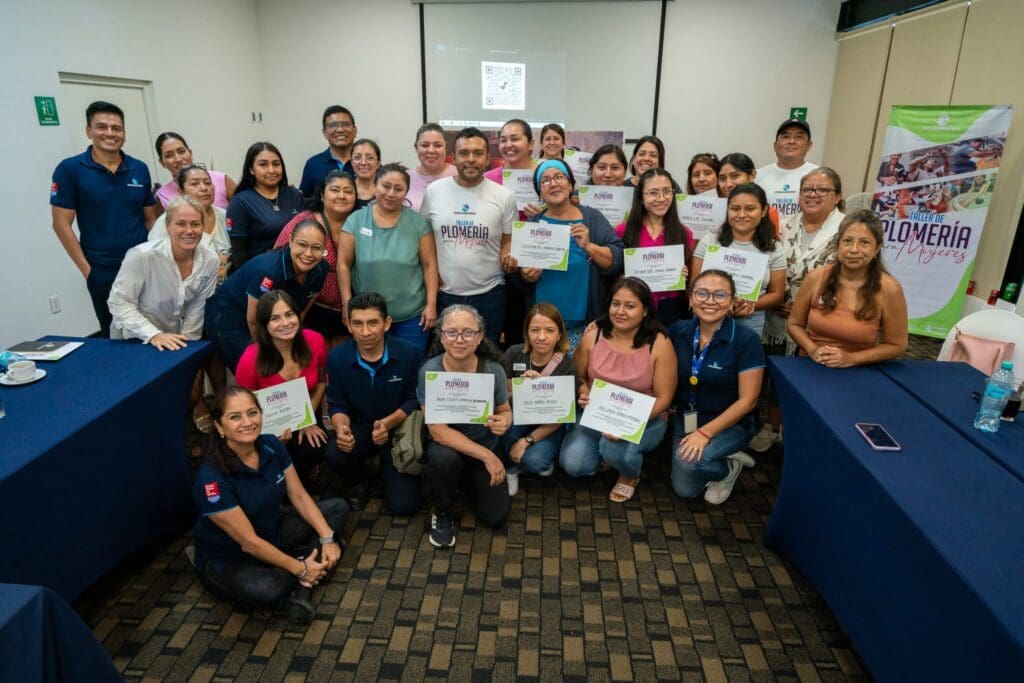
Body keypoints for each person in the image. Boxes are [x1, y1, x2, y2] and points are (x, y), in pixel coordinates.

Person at [192, 386, 348, 624]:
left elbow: (299, 497)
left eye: (253, 413)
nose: (248, 422)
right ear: (219, 427)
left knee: (338, 508)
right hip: (232, 558)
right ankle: (305, 570)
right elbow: (249, 544)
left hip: (272, 531)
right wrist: (299, 568)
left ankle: (305, 570)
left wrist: (327, 537)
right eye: (235, 417)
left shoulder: (271, 445)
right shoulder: (211, 480)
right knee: (267, 588)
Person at [108, 195, 220, 431]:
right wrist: (153, 334)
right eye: (181, 223)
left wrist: (188, 349)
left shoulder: (210, 260)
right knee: (141, 403)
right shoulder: (142, 256)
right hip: (133, 338)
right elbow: (119, 304)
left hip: (173, 337)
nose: (189, 230)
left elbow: (197, 305)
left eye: (195, 224)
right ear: (167, 225)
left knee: (180, 391)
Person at [752, 168, 845, 453]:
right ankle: (773, 426)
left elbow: (853, 276)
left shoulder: (847, 230)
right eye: (807, 189)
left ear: (838, 196)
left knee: (810, 380)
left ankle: (805, 429)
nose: (813, 195)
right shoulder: (783, 225)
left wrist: (808, 306)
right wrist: (773, 295)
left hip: (822, 318)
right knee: (777, 371)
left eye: (822, 190)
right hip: (777, 314)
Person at [560, 277, 677, 502]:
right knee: (574, 464)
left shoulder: (659, 343)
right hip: (595, 414)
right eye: (616, 304)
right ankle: (604, 454)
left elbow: (664, 399)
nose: (620, 311)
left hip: (644, 419)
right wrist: (583, 391)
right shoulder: (593, 335)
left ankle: (629, 474)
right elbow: (579, 376)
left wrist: (628, 423)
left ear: (645, 311)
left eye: (630, 306)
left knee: (615, 449)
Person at [50, 100, 157, 337]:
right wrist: (87, 270)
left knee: (154, 329)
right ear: (89, 131)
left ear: (124, 133)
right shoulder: (70, 169)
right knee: (115, 334)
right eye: (101, 127)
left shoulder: (139, 168)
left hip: (144, 265)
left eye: (116, 128)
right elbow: (61, 224)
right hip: (102, 269)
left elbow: (150, 219)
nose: (110, 133)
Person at [418, 305, 513, 548]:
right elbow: (438, 431)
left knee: (496, 517)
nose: (460, 340)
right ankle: (443, 509)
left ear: (480, 336)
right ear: (441, 336)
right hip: (447, 448)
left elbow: (504, 411)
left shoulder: (494, 369)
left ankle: (463, 482)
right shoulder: (430, 371)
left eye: (468, 333)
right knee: (443, 460)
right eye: (452, 332)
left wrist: (504, 422)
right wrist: (488, 456)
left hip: (484, 444)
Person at [670, 270, 764, 505]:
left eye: (720, 295)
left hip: (732, 423)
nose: (710, 301)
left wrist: (705, 433)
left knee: (690, 464)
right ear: (691, 299)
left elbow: (749, 400)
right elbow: (639, 334)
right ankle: (725, 461)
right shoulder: (678, 331)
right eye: (702, 293)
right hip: (688, 417)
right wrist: (599, 326)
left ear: (732, 302)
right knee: (685, 489)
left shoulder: (746, 339)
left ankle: (727, 471)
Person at [325, 293, 423, 514]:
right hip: (361, 426)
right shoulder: (337, 358)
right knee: (334, 452)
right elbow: (336, 403)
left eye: (373, 323)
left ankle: (394, 473)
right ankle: (358, 479)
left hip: (398, 426)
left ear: (386, 323)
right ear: (348, 325)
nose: (365, 331)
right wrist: (341, 428)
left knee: (405, 506)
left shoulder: (409, 353)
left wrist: (389, 423)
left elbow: (414, 398)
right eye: (358, 324)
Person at [513, 159, 624, 350]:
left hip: (584, 324)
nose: (553, 183)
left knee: (578, 376)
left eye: (559, 177)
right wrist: (524, 275)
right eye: (545, 180)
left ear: (571, 184)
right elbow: (518, 277)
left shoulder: (592, 218)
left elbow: (618, 258)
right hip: (543, 328)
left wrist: (590, 247)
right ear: (539, 191)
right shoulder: (532, 224)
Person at [421, 127, 517, 345]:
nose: (471, 159)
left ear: (487, 159)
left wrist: (508, 255)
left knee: (486, 356)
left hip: (490, 294)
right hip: (445, 294)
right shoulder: (435, 191)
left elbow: (508, 240)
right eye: (464, 153)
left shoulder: (504, 196)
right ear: (453, 158)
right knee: (448, 356)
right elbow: (424, 241)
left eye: (478, 153)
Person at [205, 219, 329, 373]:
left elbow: (305, 306)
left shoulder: (322, 269)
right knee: (257, 369)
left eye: (316, 248)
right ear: (290, 240)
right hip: (230, 315)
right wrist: (268, 353)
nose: (308, 254)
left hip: (270, 319)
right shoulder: (269, 270)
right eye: (302, 244)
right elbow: (254, 320)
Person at [787, 210, 908, 367]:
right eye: (847, 241)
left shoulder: (889, 289)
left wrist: (851, 359)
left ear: (876, 249)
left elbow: (897, 346)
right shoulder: (815, 278)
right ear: (838, 245)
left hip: (859, 370)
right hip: (810, 365)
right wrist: (813, 350)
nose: (854, 250)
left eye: (864, 242)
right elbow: (794, 324)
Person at [339, 163, 438, 354]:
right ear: (375, 185)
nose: (391, 193)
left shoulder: (419, 223)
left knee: (410, 367)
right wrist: (346, 304)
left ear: (406, 192)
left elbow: (429, 266)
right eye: (386, 186)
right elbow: (343, 265)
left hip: (412, 317)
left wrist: (431, 305)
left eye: (399, 189)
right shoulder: (356, 220)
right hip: (368, 318)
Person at [234, 290, 330, 477]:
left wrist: (307, 419)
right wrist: (268, 435)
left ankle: (305, 468)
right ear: (264, 324)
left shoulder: (315, 341)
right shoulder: (250, 359)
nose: (285, 323)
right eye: (275, 318)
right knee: (275, 457)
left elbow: (320, 381)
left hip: (306, 409)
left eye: (289, 314)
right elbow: (243, 407)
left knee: (314, 450)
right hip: (264, 424)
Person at [691, 183, 785, 336]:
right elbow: (694, 284)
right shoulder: (709, 240)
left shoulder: (774, 248)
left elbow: (777, 295)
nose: (741, 215)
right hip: (707, 315)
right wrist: (723, 302)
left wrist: (750, 304)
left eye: (750, 208)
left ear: (764, 211)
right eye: (735, 209)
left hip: (750, 319)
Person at [274, 170, 357, 343]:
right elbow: (278, 260)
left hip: (349, 311)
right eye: (335, 190)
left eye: (348, 191)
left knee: (337, 363)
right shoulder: (305, 221)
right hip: (310, 310)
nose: (342, 196)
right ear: (321, 195)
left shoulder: (360, 223)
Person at [502, 303, 576, 494]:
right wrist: (520, 387)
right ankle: (511, 470)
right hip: (517, 416)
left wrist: (524, 441)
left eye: (549, 330)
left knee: (536, 462)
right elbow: (501, 397)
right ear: (527, 332)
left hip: (548, 425)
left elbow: (558, 420)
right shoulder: (514, 353)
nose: (541, 337)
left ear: (559, 334)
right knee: (502, 430)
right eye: (535, 330)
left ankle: (527, 457)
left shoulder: (567, 367)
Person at [616, 168, 693, 326]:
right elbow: (613, 274)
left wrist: (684, 275)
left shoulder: (684, 233)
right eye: (653, 192)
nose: (661, 198)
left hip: (671, 311)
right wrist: (622, 278)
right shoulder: (623, 231)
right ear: (641, 198)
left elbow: (691, 282)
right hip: (633, 308)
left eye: (667, 191)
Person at [149, 164, 232, 283]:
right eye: (194, 184)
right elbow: (156, 265)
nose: (204, 188)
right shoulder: (167, 221)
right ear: (181, 192)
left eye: (208, 183)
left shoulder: (225, 216)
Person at [227, 142, 304, 266]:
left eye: (276, 164)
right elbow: (239, 253)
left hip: (298, 268)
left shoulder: (293, 194)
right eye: (263, 165)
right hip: (261, 271)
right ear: (251, 169)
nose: (272, 170)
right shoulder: (240, 201)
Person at [152, 132, 236, 213]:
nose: (178, 159)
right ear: (162, 163)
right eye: (169, 155)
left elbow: (244, 208)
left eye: (181, 151)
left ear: (190, 153)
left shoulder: (221, 179)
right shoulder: (162, 196)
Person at [756, 119, 819, 222]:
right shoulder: (758, 176)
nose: (792, 141)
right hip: (767, 236)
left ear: (809, 145)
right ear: (775, 146)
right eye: (786, 137)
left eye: (799, 137)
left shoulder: (820, 175)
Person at [299, 105, 357, 198]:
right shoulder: (313, 164)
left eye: (345, 124)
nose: (340, 130)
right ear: (324, 132)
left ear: (355, 131)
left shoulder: (367, 163)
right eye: (333, 125)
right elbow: (305, 200)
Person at [716, 152, 780, 235]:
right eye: (722, 178)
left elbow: (770, 245)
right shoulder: (714, 209)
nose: (728, 184)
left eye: (735, 176)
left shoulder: (768, 212)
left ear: (752, 175)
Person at [407, 123, 457, 211]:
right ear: (416, 148)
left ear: (446, 148)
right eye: (425, 145)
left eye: (438, 145)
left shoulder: (458, 175)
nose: (431, 150)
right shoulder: (406, 178)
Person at [484, 119, 536, 185]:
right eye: (503, 140)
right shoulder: (488, 179)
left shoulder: (545, 175)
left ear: (531, 144)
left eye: (515, 139)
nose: (508, 145)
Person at [350, 139, 381, 210]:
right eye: (357, 157)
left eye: (370, 158)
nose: (363, 162)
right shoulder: (345, 189)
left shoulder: (386, 189)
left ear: (378, 163)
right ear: (351, 162)